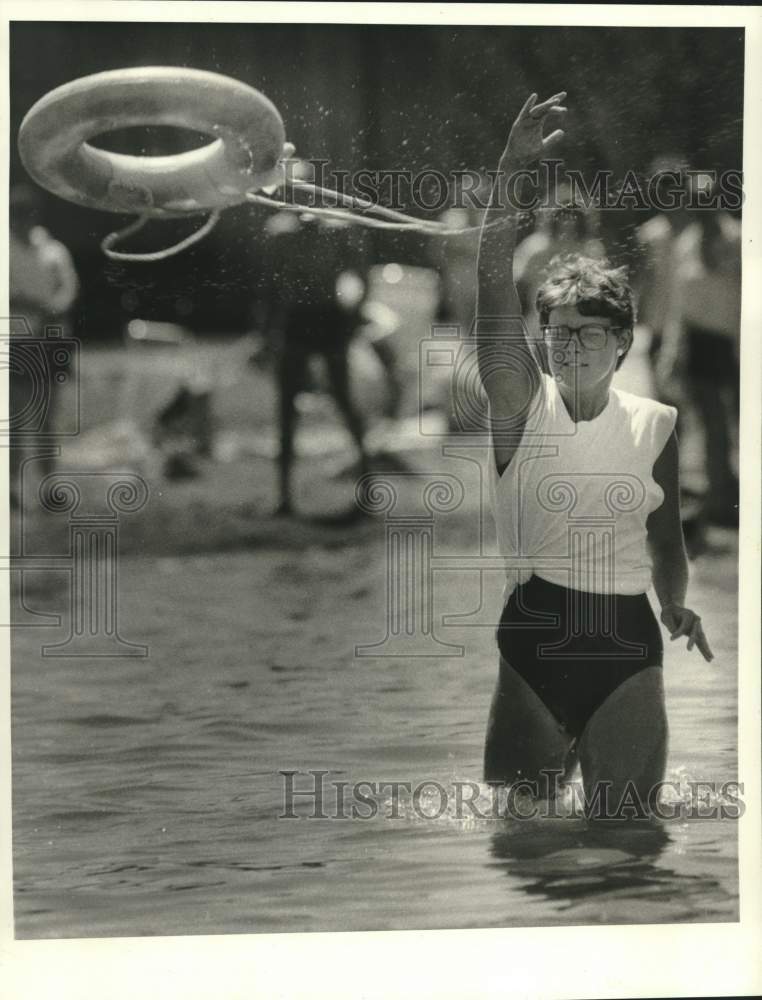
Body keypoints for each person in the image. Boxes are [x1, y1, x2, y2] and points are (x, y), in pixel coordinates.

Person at [472, 93, 713, 816]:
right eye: (558, 331)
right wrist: (512, 169)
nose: (569, 344)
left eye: (587, 332)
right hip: (534, 647)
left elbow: (665, 539)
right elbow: (491, 281)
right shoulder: (519, 402)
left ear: (621, 343)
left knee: (631, 847)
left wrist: (675, 603)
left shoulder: (656, 424)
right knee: (524, 846)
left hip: (628, 648)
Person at [657, 207, 741, 526]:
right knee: (712, 424)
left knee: (741, 423)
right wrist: (672, 352)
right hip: (699, 345)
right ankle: (720, 499)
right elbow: (679, 305)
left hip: (734, 341)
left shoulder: (738, 238)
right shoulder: (687, 243)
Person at [9, 184, 79, 507]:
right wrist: (37, 306)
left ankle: (49, 485)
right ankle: (10, 489)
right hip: (15, 342)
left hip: (48, 341)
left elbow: (67, 291)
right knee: (11, 418)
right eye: (15, 212)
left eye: (26, 212)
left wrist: (51, 307)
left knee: (46, 418)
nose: (21, 218)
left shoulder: (53, 250)